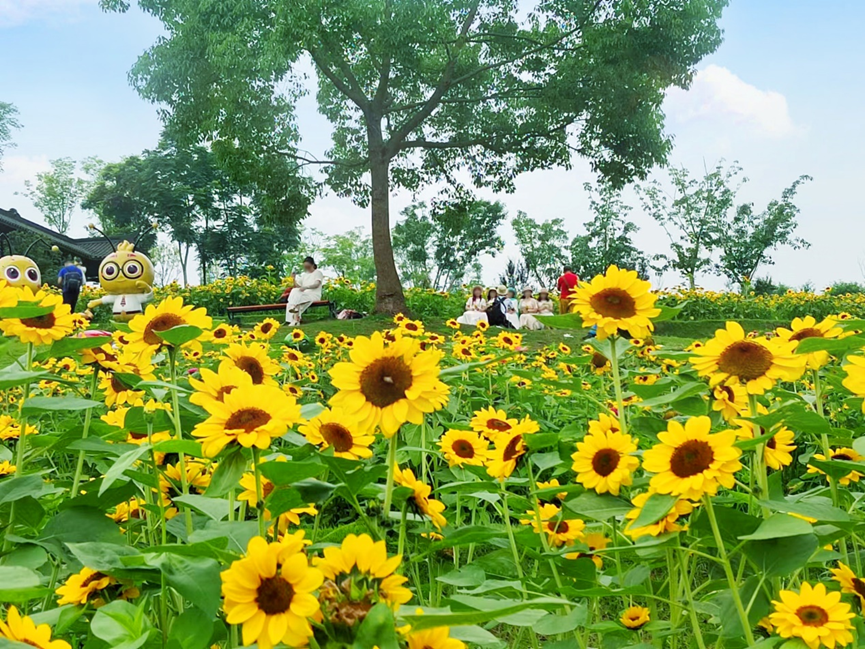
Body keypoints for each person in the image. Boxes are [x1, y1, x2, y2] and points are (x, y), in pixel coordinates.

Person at [285, 256, 325, 326]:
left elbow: (317, 284)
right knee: (294, 292)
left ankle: (294, 317)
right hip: (303, 296)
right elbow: (298, 286)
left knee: (294, 303)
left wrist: (306, 287)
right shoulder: (304, 275)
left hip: (313, 295)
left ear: (312, 265)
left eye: (308, 267)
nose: (307, 268)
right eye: (305, 267)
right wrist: (293, 278)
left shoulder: (317, 272)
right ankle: (295, 320)